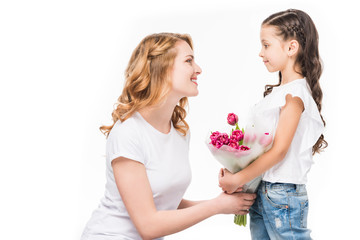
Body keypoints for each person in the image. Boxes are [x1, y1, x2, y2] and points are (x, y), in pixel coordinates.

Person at [81, 32, 256, 240]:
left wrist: (225, 204)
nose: (198, 69)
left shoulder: (180, 132)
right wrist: (216, 206)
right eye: (189, 61)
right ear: (162, 69)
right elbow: (149, 226)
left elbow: (164, 201)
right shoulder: (128, 132)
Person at [218, 9, 327, 239]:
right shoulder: (280, 94)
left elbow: (279, 151)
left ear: (291, 48)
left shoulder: (295, 95)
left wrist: (239, 178)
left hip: (282, 194)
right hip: (264, 190)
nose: (260, 52)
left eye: (266, 45)